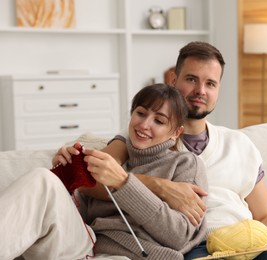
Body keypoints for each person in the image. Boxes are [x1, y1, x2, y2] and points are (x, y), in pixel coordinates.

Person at [105, 41, 267, 259]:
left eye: (210, 84)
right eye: (191, 79)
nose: (200, 91)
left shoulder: (240, 144)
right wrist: (161, 187)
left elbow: (265, 215)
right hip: (197, 247)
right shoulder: (143, 136)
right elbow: (94, 180)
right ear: (173, 80)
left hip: (253, 245)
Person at [0, 83, 207, 260]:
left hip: (131, 255)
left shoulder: (186, 164)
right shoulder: (112, 159)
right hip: (87, 246)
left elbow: (178, 235)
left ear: (176, 132)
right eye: (141, 113)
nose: (144, 125)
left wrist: (124, 183)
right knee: (43, 178)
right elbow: (82, 214)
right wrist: (66, 175)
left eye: (159, 121)